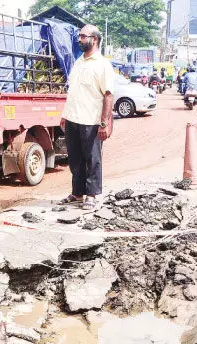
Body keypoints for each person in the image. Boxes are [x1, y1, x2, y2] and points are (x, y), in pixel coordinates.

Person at [59, 24, 115, 211]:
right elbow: (73, 92)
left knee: (92, 159)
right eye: (80, 36)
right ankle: (77, 194)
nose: (80, 39)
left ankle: (91, 195)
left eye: (83, 36)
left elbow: (108, 95)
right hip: (73, 119)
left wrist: (104, 123)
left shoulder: (103, 65)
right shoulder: (79, 62)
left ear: (95, 39)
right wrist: (65, 115)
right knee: (75, 159)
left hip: (91, 121)